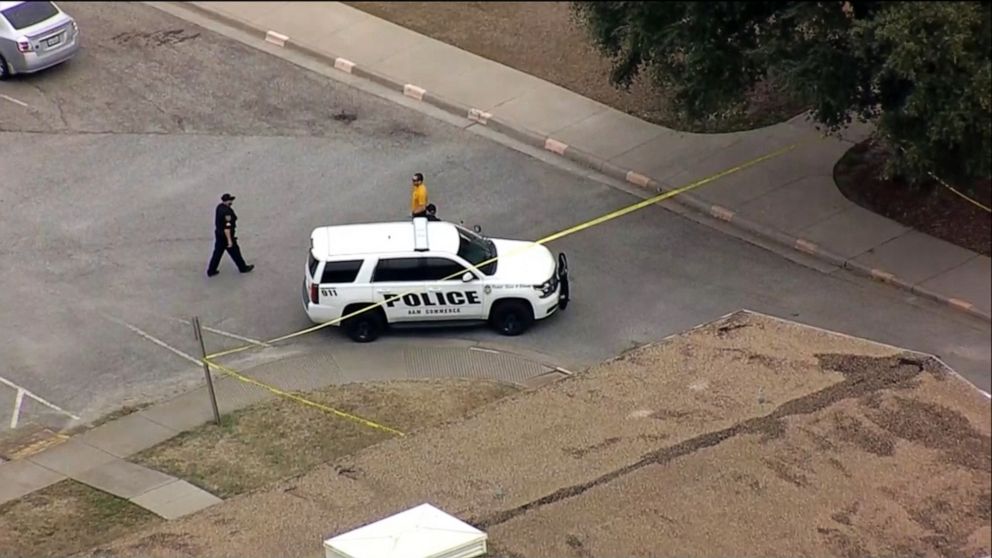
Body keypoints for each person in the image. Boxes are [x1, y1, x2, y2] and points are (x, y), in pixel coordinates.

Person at [206, 193, 254, 277]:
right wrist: (229, 241)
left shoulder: (219, 207)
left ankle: (211, 270)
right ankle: (243, 268)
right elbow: (227, 228)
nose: (232, 202)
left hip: (219, 234)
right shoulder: (227, 214)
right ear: (227, 201)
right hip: (226, 236)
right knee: (235, 252)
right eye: (230, 200)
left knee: (217, 253)